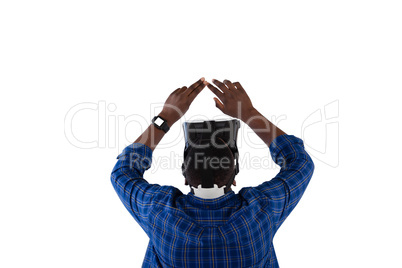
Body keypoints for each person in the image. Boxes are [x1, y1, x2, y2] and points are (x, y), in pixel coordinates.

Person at [110, 77, 315, 267]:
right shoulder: (262, 211)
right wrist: (248, 113)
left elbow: (123, 172)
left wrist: (165, 118)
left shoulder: (159, 211)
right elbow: (299, 161)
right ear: (235, 175)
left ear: (184, 176)